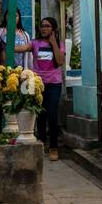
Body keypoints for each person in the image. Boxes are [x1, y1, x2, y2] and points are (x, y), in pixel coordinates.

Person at [32, 16, 64, 161]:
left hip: (54, 83)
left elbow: (60, 61)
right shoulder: (35, 43)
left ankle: (53, 147)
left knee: (52, 114)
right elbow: (20, 49)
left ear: (53, 29)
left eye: (47, 26)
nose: (44, 28)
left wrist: (53, 43)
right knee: (40, 114)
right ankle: (42, 141)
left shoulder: (60, 44)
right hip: (38, 83)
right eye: (42, 26)